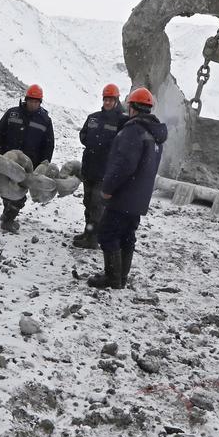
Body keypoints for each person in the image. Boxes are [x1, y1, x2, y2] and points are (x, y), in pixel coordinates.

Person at [88, 87, 167, 290]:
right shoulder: (155, 134)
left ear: (132, 107)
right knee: (127, 236)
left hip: (123, 196)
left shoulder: (133, 131)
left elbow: (123, 165)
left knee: (107, 233)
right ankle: (121, 277)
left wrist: (108, 188)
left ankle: (112, 277)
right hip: (139, 198)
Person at [0, 84, 54, 233]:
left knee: (19, 195)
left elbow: (49, 144)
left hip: (29, 166)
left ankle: (8, 219)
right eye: (31, 100)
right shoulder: (12, 113)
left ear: (40, 102)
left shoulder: (45, 120)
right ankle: (7, 212)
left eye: (36, 101)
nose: (33, 104)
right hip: (8, 161)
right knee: (6, 190)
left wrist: (44, 162)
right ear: (26, 99)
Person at [73, 83, 127, 248]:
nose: (108, 102)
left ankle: (93, 238)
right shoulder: (94, 117)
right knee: (88, 202)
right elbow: (83, 135)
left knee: (98, 205)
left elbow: (124, 145)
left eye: (111, 99)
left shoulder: (122, 120)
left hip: (105, 171)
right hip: (89, 167)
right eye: (106, 99)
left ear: (116, 100)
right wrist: (92, 143)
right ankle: (88, 231)